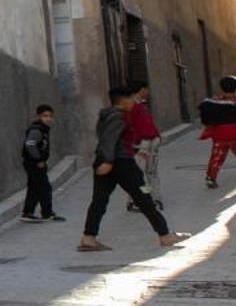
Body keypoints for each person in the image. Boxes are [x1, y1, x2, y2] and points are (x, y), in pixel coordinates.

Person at [79, 84, 190, 252]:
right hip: (122, 164)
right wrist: (109, 161)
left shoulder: (106, 115)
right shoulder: (118, 117)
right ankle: (165, 235)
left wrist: (106, 160)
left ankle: (89, 237)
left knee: (99, 201)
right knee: (145, 196)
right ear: (123, 100)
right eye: (132, 98)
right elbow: (109, 140)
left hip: (107, 162)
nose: (134, 101)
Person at [19, 104, 63, 222]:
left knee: (34, 188)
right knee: (44, 188)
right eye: (45, 116)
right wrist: (38, 160)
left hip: (34, 163)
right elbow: (30, 145)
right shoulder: (37, 129)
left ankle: (28, 213)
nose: (48, 118)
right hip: (33, 163)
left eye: (50, 116)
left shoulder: (43, 129)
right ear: (39, 116)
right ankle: (46, 213)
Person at [123, 83, 161, 211]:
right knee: (140, 175)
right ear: (142, 89)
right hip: (141, 144)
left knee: (151, 172)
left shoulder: (141, 105)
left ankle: (152, 198)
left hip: (149, 142)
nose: (148, 91)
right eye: (147, 89)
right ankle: (140, 200)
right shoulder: (131, 106)